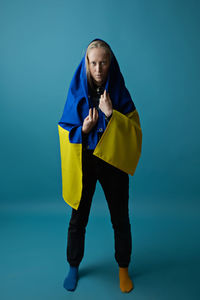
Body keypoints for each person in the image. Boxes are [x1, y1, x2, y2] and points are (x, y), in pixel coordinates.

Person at [58, 38, 142, 293]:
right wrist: (82, 130)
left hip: (112, 163)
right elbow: (64, 129)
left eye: (103, 63)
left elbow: (134, 131)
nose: (97, 69)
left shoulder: (120, 94)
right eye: (93, 63)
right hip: (85, 161)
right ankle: (73, 266)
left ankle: (123, 269)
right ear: (86, 64)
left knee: (120, 218)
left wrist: (110, 115)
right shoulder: (76, 92)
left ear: (110, 63)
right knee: (78, 216)